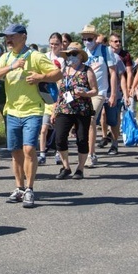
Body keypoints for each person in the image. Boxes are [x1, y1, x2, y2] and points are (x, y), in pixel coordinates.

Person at [0, 24, 62, 208]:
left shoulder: (35, 56)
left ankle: (29, 189)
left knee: (28, 149)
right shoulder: (6, 57)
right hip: (12, 111)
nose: (8, 40)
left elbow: (58, 73)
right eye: (6, 37)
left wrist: (40, 77)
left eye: (12, 36)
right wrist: (11, 66)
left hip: (33, 110)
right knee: (15, 152)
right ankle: (19, 188)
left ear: (23, 37)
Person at [52, 43, 96, 180]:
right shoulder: (64, 71)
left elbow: (95, 90)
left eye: (73, 54)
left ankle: (80, 169)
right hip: (64, 108)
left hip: (82, 109)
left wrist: (85, 94)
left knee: (82, 139)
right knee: (59, 138)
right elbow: (60, 92)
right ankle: (66, 167)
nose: (70, 57)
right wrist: (54, 110)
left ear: (80, 56)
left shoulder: (87, 70)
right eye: (68, 54)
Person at [79, 25, 117, 166]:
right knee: (83, 122)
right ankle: (84, 151)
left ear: (96, 38)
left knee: (91, 118)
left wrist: (112, 93)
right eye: (84, 39)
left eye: (90, 38)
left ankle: (91, 154)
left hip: (100, 92)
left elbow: (113, 73)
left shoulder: (105, 51)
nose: (87, 41)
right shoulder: (82, 54)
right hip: (84, 93)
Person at [38, 32, 65, 165]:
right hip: (46, 96)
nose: (54, 46)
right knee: (43, 128)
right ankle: (42, 154)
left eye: (56, 44)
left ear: (61, 45)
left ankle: (58, 152)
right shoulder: (44, 57)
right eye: (52, 44)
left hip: (59, 97)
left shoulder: (63, 59)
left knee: (58, 129)